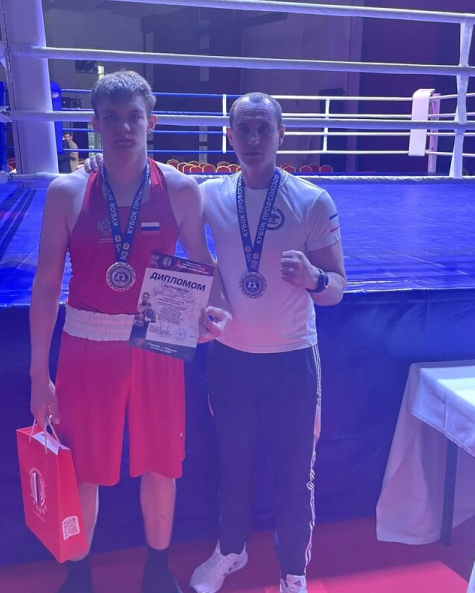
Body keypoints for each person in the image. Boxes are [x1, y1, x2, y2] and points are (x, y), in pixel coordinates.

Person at [29, 70, 231, 593]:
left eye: (133, 117)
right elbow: (46, 285)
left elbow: (201, 264)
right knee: (82, 469)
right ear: (95, 125)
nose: (124, 127)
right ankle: (78, 576)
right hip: (86, 346)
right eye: (112, 118)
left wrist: (212, 315)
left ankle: (158, 571)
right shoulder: (67, 192)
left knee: (162, 465)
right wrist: (37, 373)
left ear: (151, 123)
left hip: (157, 343)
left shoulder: (181, 189)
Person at [189, 92, 346, 593]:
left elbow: (337, 289)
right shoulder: (209, 194)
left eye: (263, 129)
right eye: (244, 129)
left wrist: (314, 278)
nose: (253, 139)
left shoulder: (312, 201)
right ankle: (230, 551)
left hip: (291, 361)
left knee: (294, 476)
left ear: (281, 135)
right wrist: (95, 164)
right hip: (231, 359)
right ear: (229, 135)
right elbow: (158, 190)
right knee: (232, 465)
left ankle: (293, 573)